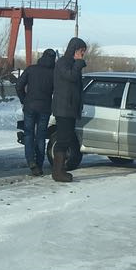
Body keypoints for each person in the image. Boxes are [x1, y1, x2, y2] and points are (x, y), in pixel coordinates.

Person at [50, 36, 87, 183]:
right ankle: (57, 172)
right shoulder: (63, 63)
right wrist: (78, 63)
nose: (83, 54)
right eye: (81, 51)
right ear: (75, 49)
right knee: (63, 140)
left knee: (66, 139)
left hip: (69, 108)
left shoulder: (71, 63)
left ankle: (60, 170)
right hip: (63, 108)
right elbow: (71, 77)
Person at [15, 48, 56, 176]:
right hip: (45, 108)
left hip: (30, 107)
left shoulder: (31, 69)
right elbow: (58, 92)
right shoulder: (54, 73)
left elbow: (18, 86)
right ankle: (39, 163)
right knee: (41, 136)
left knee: (28, 134)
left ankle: (31, 161)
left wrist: (24, 99)